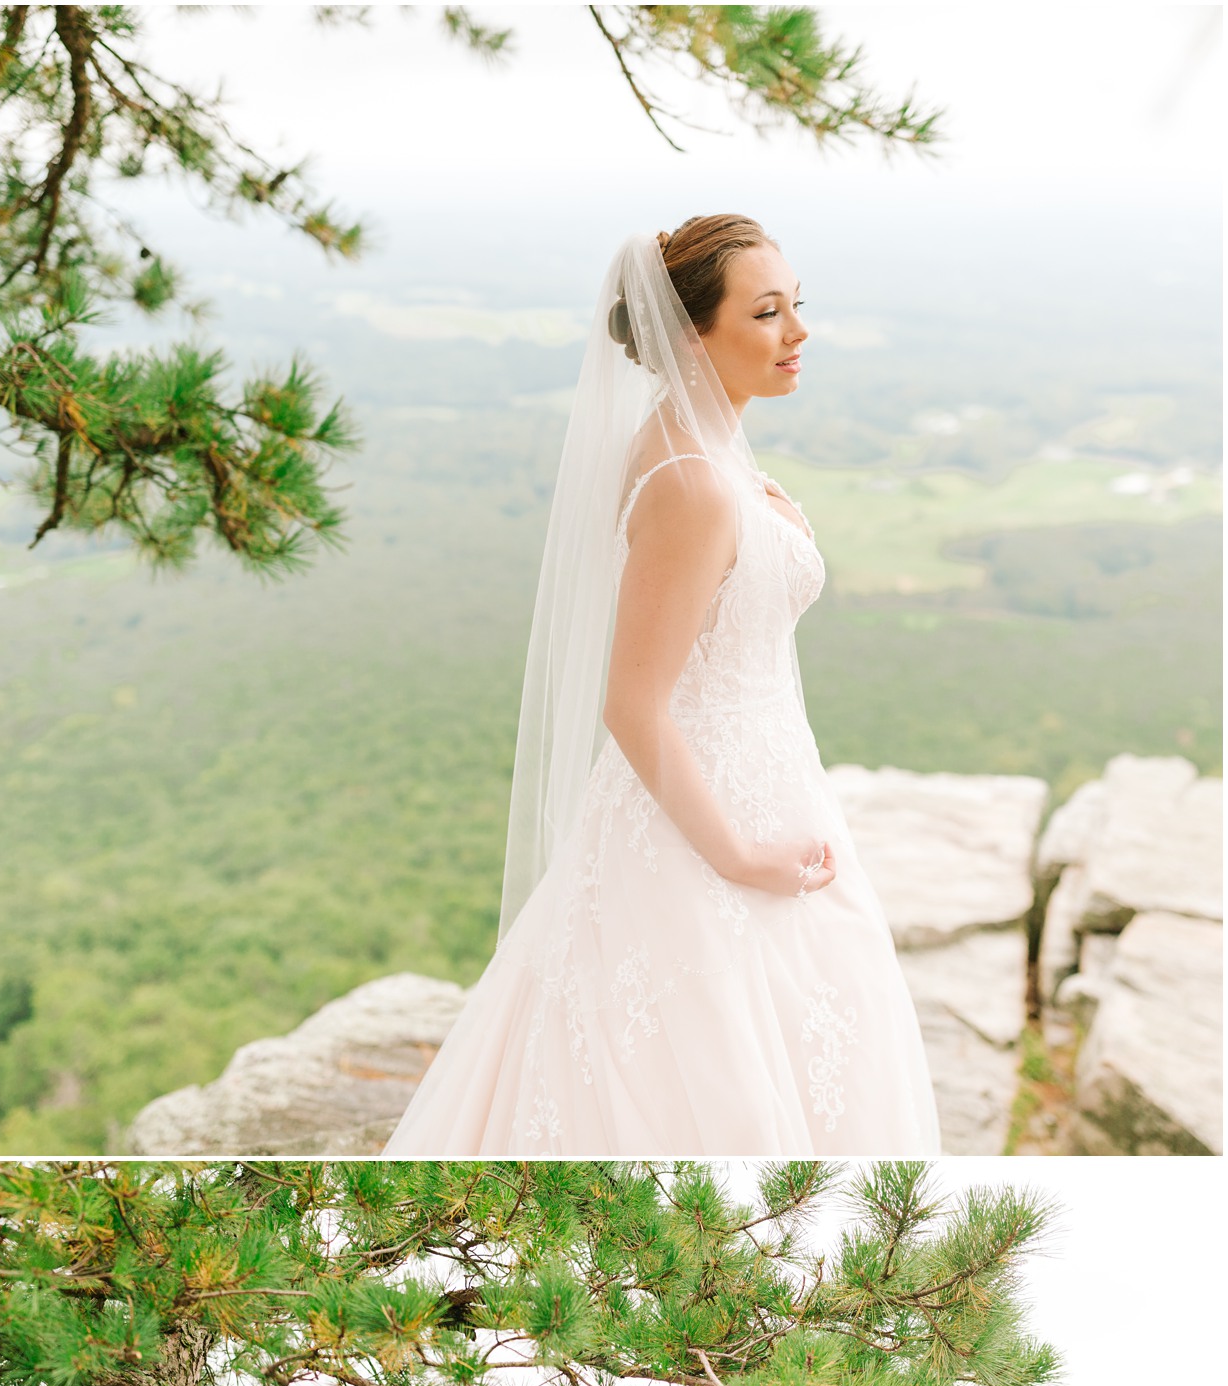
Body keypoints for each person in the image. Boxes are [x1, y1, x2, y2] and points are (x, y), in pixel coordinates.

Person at [384, 217, 941, 1154]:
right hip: (705, 830)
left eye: (797, 306)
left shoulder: (709, 449)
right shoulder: (692, 481)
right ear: (693, 337)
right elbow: (632, 703)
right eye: (766, 313)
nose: (797, 332)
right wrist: (737, 859)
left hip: (767, 783)